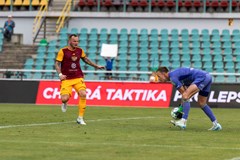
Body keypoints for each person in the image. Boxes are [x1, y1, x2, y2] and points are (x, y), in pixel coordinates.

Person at [55, 34, 105, 125]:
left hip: (78, 77)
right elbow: (57, 64)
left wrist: (96, 66)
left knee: (83, 94)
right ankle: (65, 103)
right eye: (74, 41)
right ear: (70, 41)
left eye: (77, 41)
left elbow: (85, 59)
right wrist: (60, 74)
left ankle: (80, 118)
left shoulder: (80, 50)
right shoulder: (63, 51)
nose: (76, 43)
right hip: (66, 79)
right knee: (64, 99)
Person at [155, 66, 222, 131]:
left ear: (163, 74)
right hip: (207, 77)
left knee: (185, 96)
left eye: (158, 76)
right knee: (202, 103)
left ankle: (183, 121)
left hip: (202, 77)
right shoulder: (175, 75)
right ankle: (216, 124)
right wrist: (181, 106)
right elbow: (186, 93)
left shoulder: (173, 78)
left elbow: (184, 94)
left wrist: (180, 109)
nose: (158, 78)